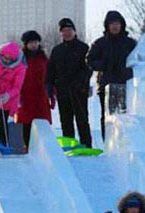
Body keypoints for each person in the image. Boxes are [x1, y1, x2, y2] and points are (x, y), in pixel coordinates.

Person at [87, 10, 137, 139]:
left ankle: (123, 142)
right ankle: (108, 142)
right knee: (107, 115)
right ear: (107, 26)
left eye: (117, 23)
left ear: (122, 25)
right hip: (106, 84)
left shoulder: (130, 43)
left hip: (125, 84)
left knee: (124, 115)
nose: (115, 26)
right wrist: (104, 65)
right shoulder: (100, 43)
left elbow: (138, 59)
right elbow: (89, 60)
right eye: (112, 23)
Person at [47, 18, 92, 147]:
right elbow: (51, 70)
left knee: (82, 119)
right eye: (64, 31)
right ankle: (69, 145)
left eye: (69, 30)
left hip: (79, 91)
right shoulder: (57, 50)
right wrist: (49, 87)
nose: (67, 33)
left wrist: (81, 82)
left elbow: (88, 68)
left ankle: (86, 145)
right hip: (62, 91)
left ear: (74, 31)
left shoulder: (83, 48)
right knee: (66, 121)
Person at [17, 30, 52, 149]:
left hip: (41, 94)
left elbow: (50, 76)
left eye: (36, 42)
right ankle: (27, 146)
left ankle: (42, 147)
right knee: (26, 122)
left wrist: (52, 93)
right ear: (26, 44)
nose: (34, 45)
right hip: (25, 95)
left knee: (42, 121)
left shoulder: (43, 58)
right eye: (31, 42)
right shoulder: (20, 58)